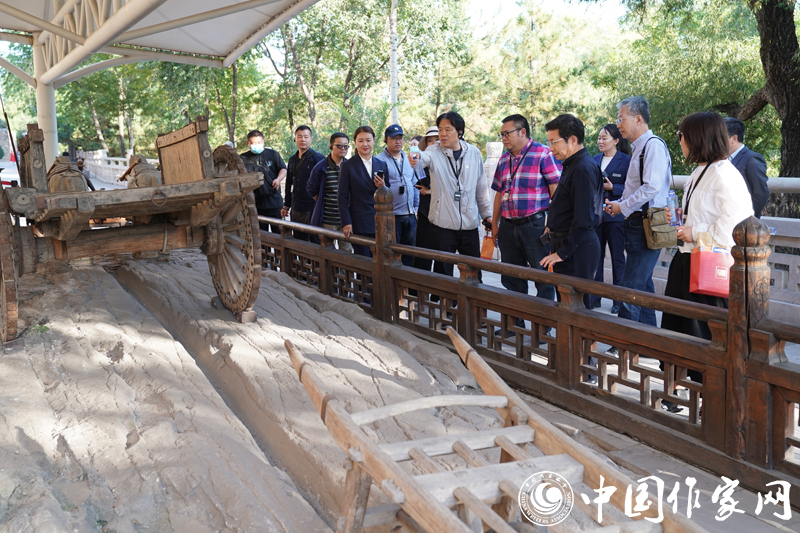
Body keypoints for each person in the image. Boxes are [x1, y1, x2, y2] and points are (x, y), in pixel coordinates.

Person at [660, 111, 753, 412]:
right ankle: (674, 392)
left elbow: (735, 228)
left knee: (703, 334)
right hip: (685, 262)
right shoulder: (701, 171)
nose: (680, 141)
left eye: (682, 135)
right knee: (676, 329)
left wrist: (694, 231)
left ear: (697, 138)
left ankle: (711, 402)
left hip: (708, 268)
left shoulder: (725, 174)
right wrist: (681, 221)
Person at [604, 96, 672, 327]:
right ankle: (648, 338)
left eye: (621, 119)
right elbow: (639, 187)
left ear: (639, 119)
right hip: (638, 222)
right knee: (642, 286)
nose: (618, 124)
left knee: (630, 288)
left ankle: (624, 342)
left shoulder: (653, 145)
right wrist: (620, 204)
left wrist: (622, 206)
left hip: (647, 223)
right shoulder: (640, 147)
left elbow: (651, 187)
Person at [491, 114, 560, 321]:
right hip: (508, 226)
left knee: (542, 278)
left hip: (535, 225)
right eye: (502, 134)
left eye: (507, 133)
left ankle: (544, 326)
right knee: (511, 277)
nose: (504, 138)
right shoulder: (504, 159)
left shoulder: (543, 154)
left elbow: (556, 191)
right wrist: (495, 224)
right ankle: (515, 325)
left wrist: (553, 224)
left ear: (522, 132)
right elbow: (499, 194)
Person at [410, 112, 492, 278]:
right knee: (443, 274)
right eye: (440, 129)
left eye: (448, 129)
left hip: (469, 225)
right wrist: (416, 157)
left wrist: (487, 215)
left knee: (473, 274)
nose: (443, 134)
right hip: (442, 227)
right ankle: (443, 296)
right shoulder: (433, 151)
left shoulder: (474, 153)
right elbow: (422, 158)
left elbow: (481, 188)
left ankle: (473, 296)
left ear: (459, 132)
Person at [540, 114, 604, 309]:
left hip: (577, 247)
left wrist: (563, 252)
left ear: (573, 139)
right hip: (569, 243)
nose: (550, 148)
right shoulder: (572, 165)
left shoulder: (582, 168)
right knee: (566, 306)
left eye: (554, 142)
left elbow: (585, 217)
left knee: (577, 307)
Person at [589, 124, 631, 313]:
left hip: (616, 217)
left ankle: (618, 300)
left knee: (618, 258)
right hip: (597, 217)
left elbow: (633, 188)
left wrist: (613, 188)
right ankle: (595, 296)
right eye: (599, 138)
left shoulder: (626, 160)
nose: (600, 141)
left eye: (604, 138)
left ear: (616, 140)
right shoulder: (594, 160)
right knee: (595, 257)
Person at [338, 126, 389, 257]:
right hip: (359, 222)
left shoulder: (381, 164)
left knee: (381, 259)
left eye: (368, 140)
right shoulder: (348, 165)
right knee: (364, 260)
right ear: (355, 142)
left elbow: (388, 193)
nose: (365, 144)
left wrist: (383, 187)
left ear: (374, 141)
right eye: (361, 141)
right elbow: (342, 197)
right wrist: (346, 222)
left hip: (380, 221)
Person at [376, 124, 419, 266]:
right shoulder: (379, 160)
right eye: (394, 138)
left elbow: (415, 183)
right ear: (386, 140)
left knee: (410, 253)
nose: (398, 141)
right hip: (391, 215)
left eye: (400, 138)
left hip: (410, 214)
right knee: (392, 253)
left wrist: (416, 207)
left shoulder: (409, 158)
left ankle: (407, 279)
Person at [307, 132, 353, 252]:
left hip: (346, 220)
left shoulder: (351, 166)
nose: (343, 148)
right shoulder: (320, 167)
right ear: (331, 146)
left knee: (346, 252)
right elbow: (311, 189)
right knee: (327, 251)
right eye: (339, 145)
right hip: (328, 219)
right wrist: (321, 201)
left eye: (346, 146)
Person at [282, 125, 325, 241]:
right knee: (298, 240)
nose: (303, 139)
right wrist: (286, 205)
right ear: (295, 139)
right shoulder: (292, 159)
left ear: (311, 139)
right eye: (299, 137)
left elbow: (324, 184)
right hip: (296, 206)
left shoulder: (318, 158)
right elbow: (289, 184)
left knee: (315, 240)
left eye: (306, 137)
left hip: (312, 207)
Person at [240, 130, 287, 234]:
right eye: (254, 143)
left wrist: (278, 179)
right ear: (248, 143)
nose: (257, 145)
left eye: (259, 142)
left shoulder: (273, 154)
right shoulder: (243, 158)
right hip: (255, 204)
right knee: (260, 236)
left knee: (279, 234)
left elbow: (283, 169)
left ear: (263, 141)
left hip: (274, 203)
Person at [724, 117, 769, 218]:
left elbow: (760, 194)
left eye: (720, 137)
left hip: (744, 221)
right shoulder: (721, 160)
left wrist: (749, 217)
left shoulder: (752, 158)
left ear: (734, 139)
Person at [412, 127, 439, 275]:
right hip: (425, 212)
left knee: (442, 259)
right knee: (423, 255)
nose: (433, 143)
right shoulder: (421, 164)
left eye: (437, 140)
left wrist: (430, 191)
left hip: (444, 215)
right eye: (430, 140)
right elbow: (424, 181)